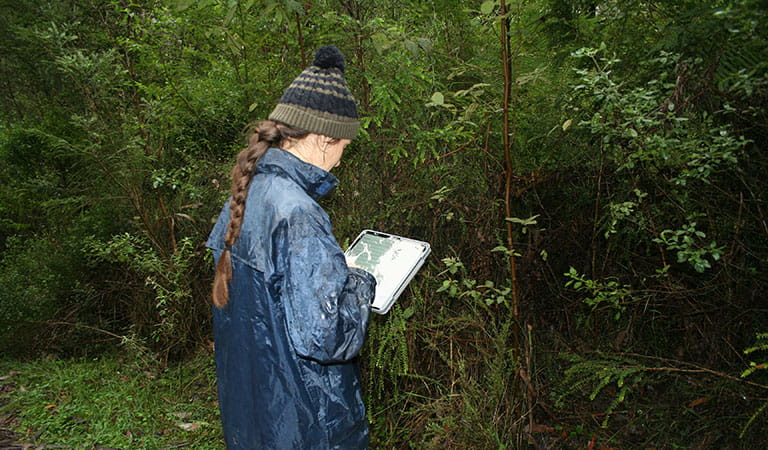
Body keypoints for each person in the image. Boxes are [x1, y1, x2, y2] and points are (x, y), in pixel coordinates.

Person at [206, 46, 376, 449]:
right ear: (322, 138)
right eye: (343, 146)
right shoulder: (298, 213)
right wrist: (361, 283)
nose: (341, 158)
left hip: (254, 413)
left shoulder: (245, 194)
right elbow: (326, 337)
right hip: (306, 422)